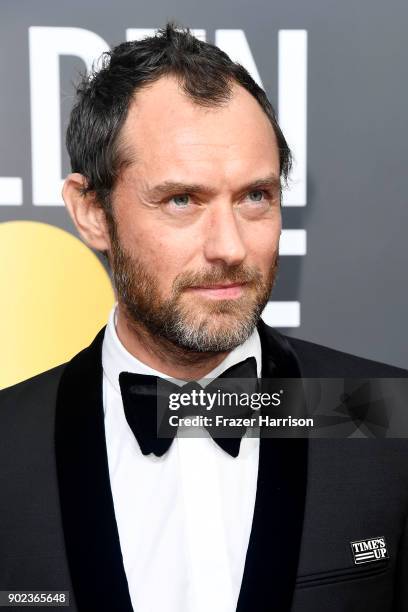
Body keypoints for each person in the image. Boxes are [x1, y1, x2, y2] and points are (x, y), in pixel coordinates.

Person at [0, 23, 407, 612]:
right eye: (182, 201)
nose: (230, 247)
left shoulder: (377, 413)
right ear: (91, 212)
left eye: (254, 197)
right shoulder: (9, 444)